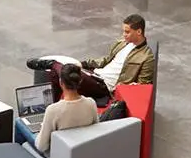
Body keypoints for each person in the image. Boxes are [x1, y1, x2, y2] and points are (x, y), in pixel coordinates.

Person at [24, 14, 156, 102]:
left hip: (104, 87)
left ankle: (52, 63)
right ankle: (50, 107)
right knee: (56, 74)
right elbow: (105, 60)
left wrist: (122, 87)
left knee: (67, 72)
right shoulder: (122, 43)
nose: (124, 34)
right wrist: (84, 64)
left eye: (127, 32)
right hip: (95, 75)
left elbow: (143, 85)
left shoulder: (146, 57)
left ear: (139, 32)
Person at [13, 64, 99, 156]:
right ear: (80, 81)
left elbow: (42, 146)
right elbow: (96, 130)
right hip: (81, 151)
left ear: (61, 82)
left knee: (19, 122)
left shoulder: (53, 110)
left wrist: (40, 132)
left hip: (57, 155)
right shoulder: (91, 103)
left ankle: (19, 157)